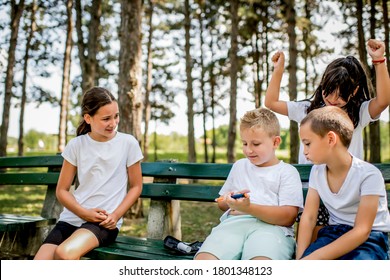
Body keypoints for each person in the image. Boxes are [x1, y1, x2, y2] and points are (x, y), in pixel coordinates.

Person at [264, 38, 390, 238]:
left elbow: (383, 100)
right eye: (328, 92)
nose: (332, 100)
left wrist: (379, 61)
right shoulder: (307, 109)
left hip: (344, 192)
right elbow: (271, 102)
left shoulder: (359, 113)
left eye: (340, 96)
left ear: (354, 91)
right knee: (313, 234)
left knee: (337, 238)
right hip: (312, 187)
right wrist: (278, 69)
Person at [34, 87, 143, 260]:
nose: (113, 123)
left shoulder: (128, 143)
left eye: (116, 116)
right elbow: (62, 190)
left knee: (64, 254)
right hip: (72, 217)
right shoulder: (76, 145)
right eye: (106, 118)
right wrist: (83, 213)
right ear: (88, 118)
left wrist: (115, 215)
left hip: (104, 222)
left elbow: (136, 186)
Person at [194, 108, 303, 260]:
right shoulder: (239, 166)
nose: (248, 150)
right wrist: (228, 201)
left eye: (256, 144)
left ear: (275, 142)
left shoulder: (287, 172)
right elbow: (222, 204)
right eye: (244, 143)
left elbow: (288, 217)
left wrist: (249, 208)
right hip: (233, 225)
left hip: (272, 230)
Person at [296, 106, 390, 260]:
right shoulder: (317, 172)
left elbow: (362, 231)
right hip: (333, 233)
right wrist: (301, 259)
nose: (304, 151)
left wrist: (316, 257)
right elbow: (309, 217)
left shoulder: (368, 175)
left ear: (331, 139)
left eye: (307, 143)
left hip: (370, 239)